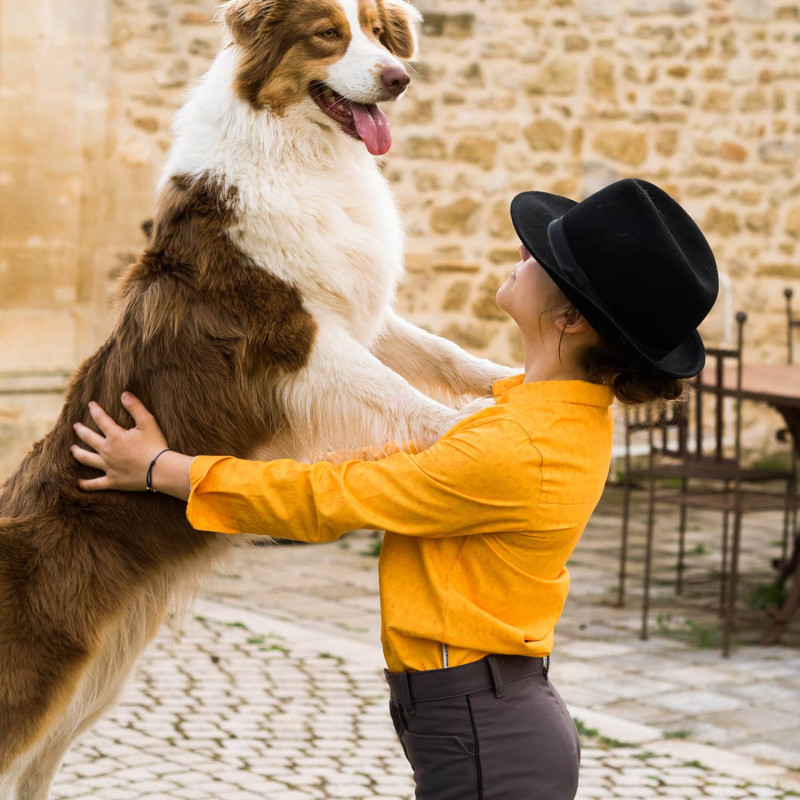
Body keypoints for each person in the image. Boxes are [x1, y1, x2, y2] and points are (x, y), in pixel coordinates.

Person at [71, 178, 718, 800]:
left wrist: (161, 469)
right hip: (479, 715)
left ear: (572, 317)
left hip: (483, 730)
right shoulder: (544, 414)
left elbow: (324, 498)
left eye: (546, 256)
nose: (525, 251)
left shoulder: (514, 447)